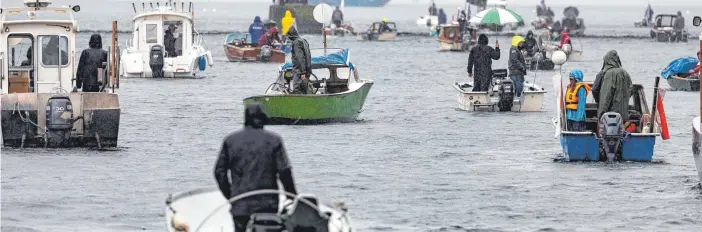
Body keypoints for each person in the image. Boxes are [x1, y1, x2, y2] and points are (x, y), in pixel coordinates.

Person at [214, 102, 298, 232]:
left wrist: (231, 196)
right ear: (263, 119)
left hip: (240, 206)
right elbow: (284, 171)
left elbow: (219, 172)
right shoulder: (274, 140)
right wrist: (292, 197)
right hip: (268, 205)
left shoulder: (230, 140)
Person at [591, 50, 632, 121]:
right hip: (624, 115)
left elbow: (606, 95)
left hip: (610, 116)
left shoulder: (608, 74)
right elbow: (631, 90)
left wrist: (601, 113)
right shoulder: (625, 73)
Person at [287, 25, 312, 94]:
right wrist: (306, 71)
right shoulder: (304, 41)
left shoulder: (296, 43)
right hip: (307, 70)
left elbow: (300, 58)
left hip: (299, 71)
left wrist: (302, 72)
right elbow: (308, 56)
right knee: (304, 90)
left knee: (297, 90)